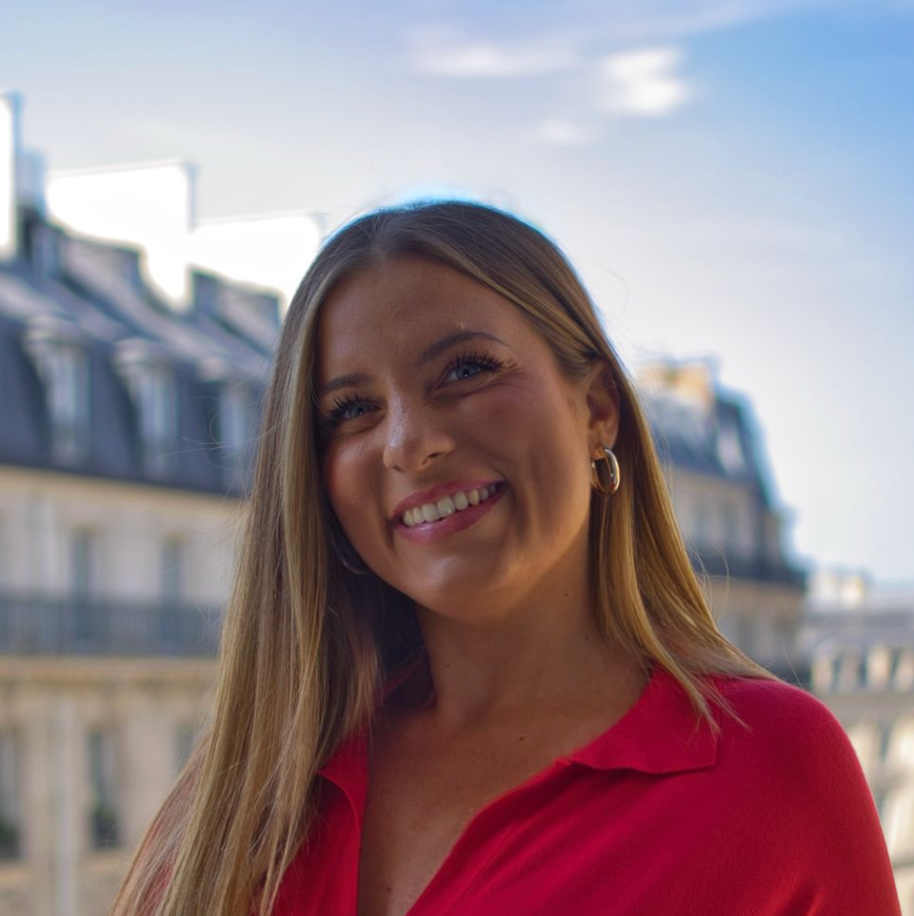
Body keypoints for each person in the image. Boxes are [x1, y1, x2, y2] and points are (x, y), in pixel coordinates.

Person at [111, 201, 901, 916]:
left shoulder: (767, 770)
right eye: (352, 410)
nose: (410, 443)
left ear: (596, 411)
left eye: (465, 370)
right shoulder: (242, 801)